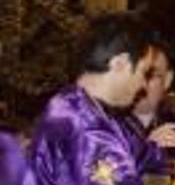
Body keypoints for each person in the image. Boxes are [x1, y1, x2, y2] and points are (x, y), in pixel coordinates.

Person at [29, 13, 156, 185]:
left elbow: (136, 155)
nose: (144, 85)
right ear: (120, 63)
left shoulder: (70, 104)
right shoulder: (90, 132)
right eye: (144, 72)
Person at [120, 40, 175, 176]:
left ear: (167, 80)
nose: (141, 84)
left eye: (150, 75)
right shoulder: (103, 125)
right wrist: (146, 151)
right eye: (136, 73)